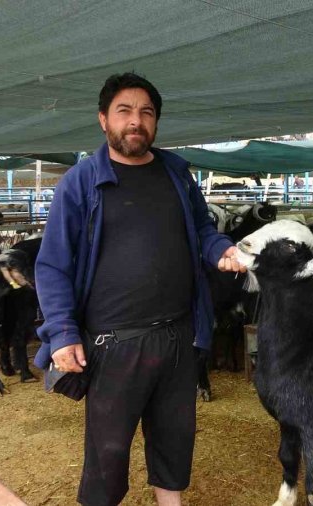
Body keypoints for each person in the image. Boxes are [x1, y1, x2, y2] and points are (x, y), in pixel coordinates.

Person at [33, 72, 244, 506]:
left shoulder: (176, 175)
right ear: (103, 120)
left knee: (174, 439)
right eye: (124, 111)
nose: (136, 121)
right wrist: (62, 332)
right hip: (113, 341)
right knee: (107, 456)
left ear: (156, 122)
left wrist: (221, 249)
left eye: (146, 113)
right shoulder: (81, 181)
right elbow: (53, 263)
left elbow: (202, 230)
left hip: (177, 335)